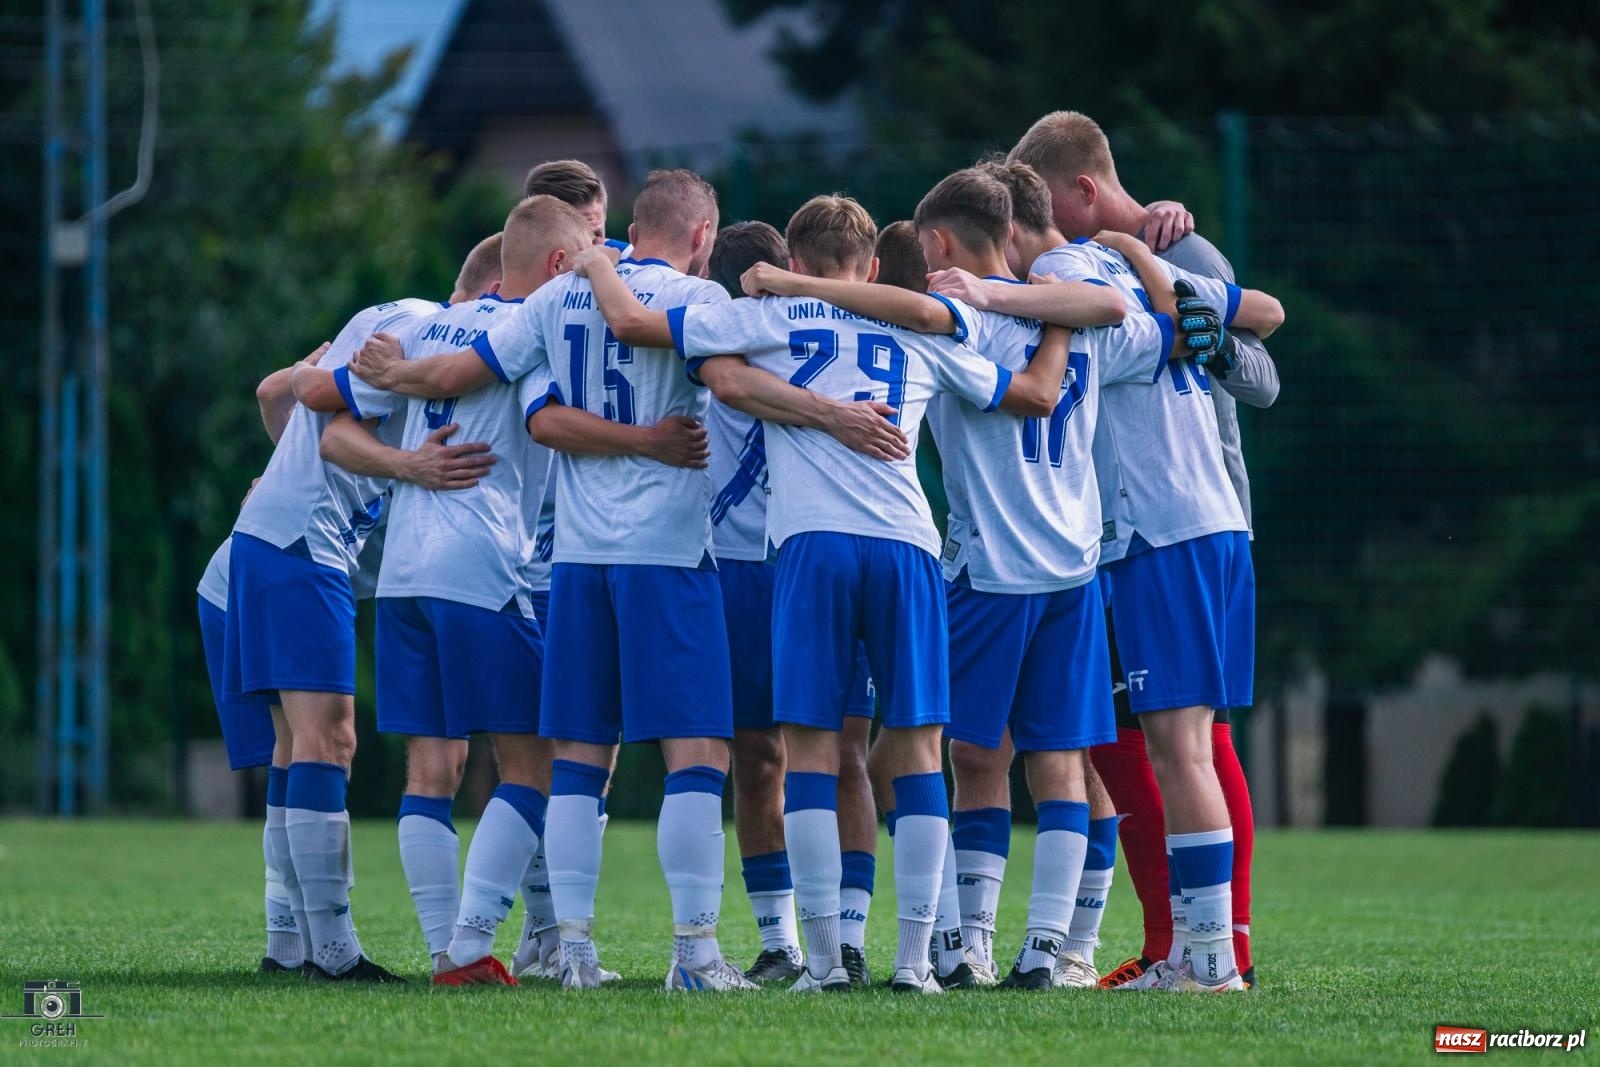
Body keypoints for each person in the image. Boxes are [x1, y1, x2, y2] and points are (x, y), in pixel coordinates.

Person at [578, 193, 1083, 993]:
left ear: (794, 262)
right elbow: (1031, 394)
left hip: (811, 543)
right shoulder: (918, 330)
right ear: (873, 266)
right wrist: (1058, 324)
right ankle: (913, 963)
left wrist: (598, 261)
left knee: (808, 753)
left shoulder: (767, 317)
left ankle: (823, 965)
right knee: (918, 750)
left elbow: (667, 344)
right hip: (907, 544)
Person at [738, 168, 1207, 990]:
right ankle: (1049, 948)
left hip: (986, 565)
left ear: (939, 244)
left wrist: (792, 287)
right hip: (1074, 563)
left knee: (966, 757)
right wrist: (1113, 274)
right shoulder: (1071, 314)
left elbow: (931, 328)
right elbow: (1142, 323)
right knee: (1061, 762)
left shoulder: (958, 319)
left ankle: (962, 944)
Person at [935, 142, 1285, 992]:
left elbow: (1095, 309)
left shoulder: (1060, 279)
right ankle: (1196, 950)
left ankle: (1208, 959)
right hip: (1204, 520)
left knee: (1182, 749)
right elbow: (1254, 311)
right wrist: (1137, 251)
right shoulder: (1123, 268)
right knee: (1185, 744)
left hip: (1161, 528)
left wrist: (993, 293)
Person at [699, 221, 882, 985]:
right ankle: (784, 940)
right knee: (772, 755)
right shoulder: (717, 329)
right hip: (746, 561)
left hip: (821, 550)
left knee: (819, 753)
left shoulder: (845, 329)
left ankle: (844, 939)